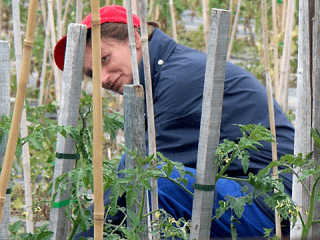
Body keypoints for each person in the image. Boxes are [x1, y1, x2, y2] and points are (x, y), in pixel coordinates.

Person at [54, 5, 295, 239]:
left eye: (105, 59)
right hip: (240, 192)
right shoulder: (166, 73)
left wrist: (85, 233)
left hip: (274, 203)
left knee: (154, 187)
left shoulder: (180, 80)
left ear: (135, 39)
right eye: (93, 74)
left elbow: (138, 177)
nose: (103, 79)